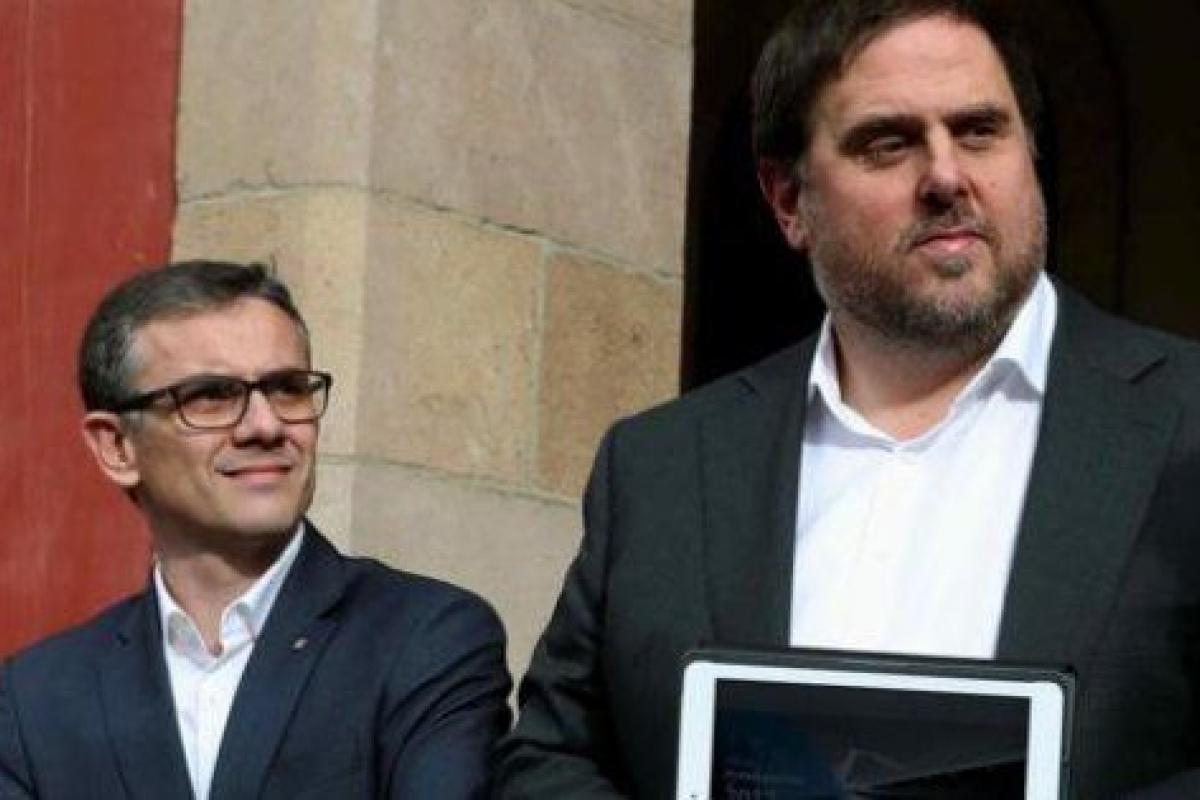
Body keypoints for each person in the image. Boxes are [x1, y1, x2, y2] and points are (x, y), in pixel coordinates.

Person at [494, 1, 1200, 797]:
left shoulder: (1184, 428)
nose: (946, 177)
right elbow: (547, 760)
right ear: (788, 201)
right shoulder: (661, 466)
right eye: (887, 143)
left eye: (979, 131)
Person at [0, 261, 511, 799]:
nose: (266, 426)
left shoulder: (426, 639)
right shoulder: (35, 701)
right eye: (210, 396)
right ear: (118, 447)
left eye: (288, 389)